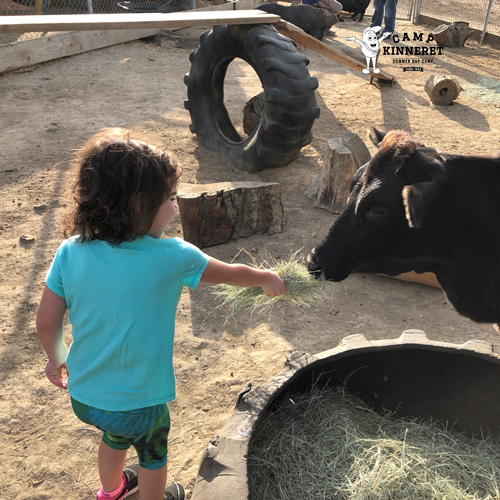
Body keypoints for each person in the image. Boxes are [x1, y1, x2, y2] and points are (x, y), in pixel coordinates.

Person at [36, 128, 286, 500]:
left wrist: (56, 358)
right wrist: (266, 278)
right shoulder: (174, 256)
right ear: (139, 204)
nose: (174, 206)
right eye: (169, 197)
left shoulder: (71, 251)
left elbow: (46, 321)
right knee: (153, 456)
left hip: (85, 396)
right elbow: (231, 274)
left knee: (113, 436)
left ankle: (113, 490)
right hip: (139, 401)